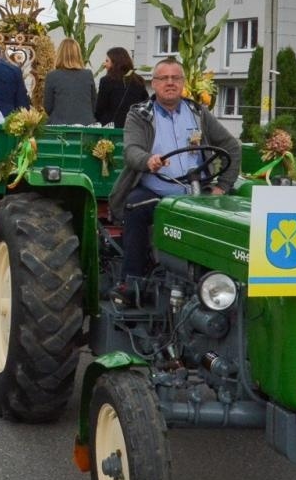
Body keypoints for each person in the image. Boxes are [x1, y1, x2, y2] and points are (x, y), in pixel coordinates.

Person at [107, 57, 240, 291]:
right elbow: (131, 151)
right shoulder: (139, 114)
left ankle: (222, 286)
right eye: (164, 78)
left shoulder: (198, 112)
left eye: (175, 78)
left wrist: (223, 186)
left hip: (196, 194)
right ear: (154, 84)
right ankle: (131, 284)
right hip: (156, 192)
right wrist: (148, 160)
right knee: (135, 207)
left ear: (183, 83)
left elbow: (231, 146)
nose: (170, 83)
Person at [43, 37, 97, 125]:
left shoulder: (52, 76)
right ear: (78, 54)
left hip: (59, 125)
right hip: (85, 125)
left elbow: (48, 106)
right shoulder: (88, 75)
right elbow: (93, 104)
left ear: (59, 54)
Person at [94, 46, 148, 126]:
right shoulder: (138, 81)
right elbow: (145, 105)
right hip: (133, 127)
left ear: (115, 62)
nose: (105, 64)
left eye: (107, 61)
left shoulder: (106, 81)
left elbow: (100, 108)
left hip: (111, 129)